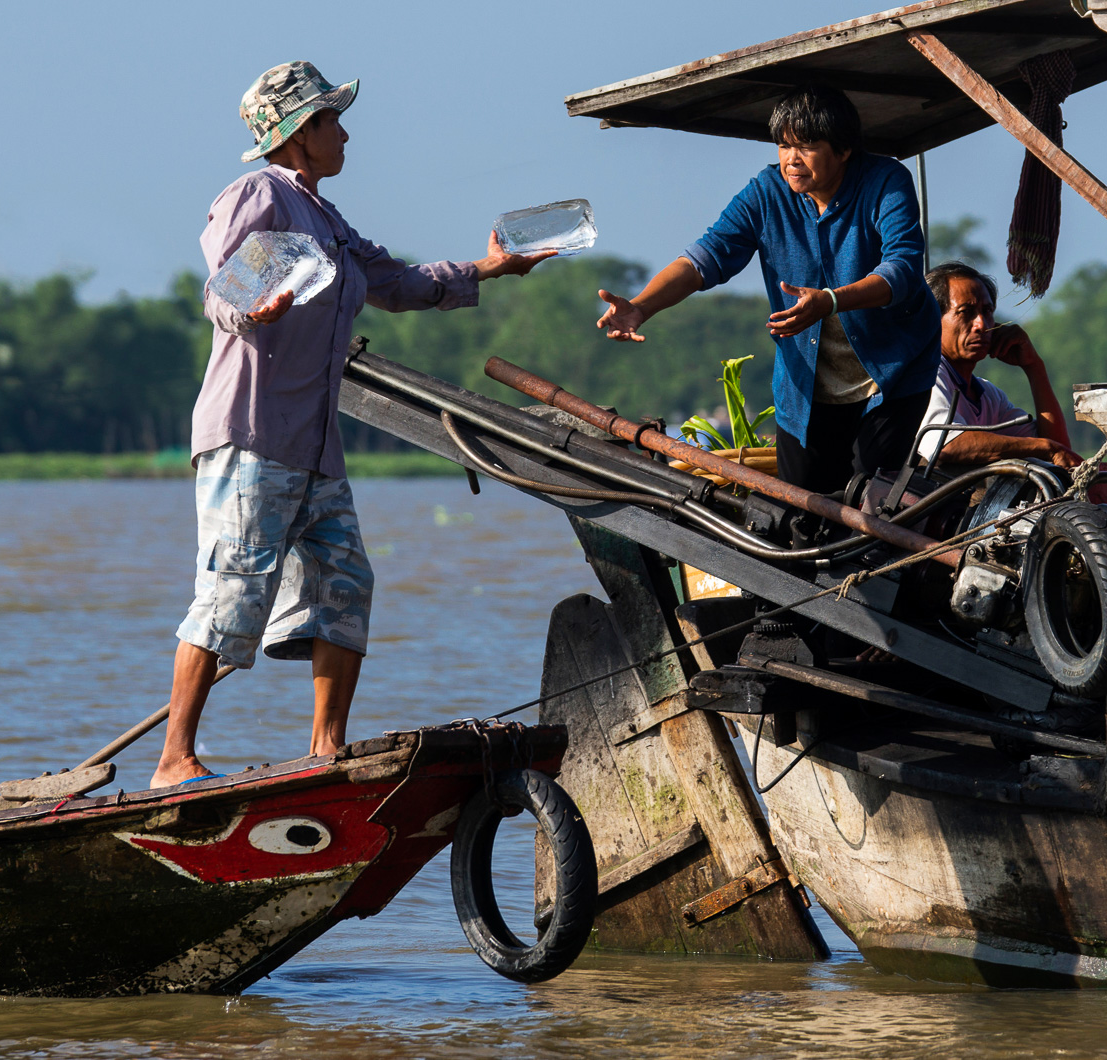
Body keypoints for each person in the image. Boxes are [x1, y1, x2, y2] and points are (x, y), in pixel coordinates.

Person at [150, 61, 551, 788]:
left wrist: (488, 270)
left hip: (313, 444)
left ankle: (325, 748)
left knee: (343, 581)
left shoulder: (326, 220)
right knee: (232, 587)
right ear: (300, 135)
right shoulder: (257, 194)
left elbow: (395, 282)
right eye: (332, 121)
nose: (345, 134)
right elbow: (222, 286)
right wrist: (253, 308)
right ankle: (174, 757)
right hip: (251, 432)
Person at [595, 85, 940, 496]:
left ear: (844, 150)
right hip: (807, 384)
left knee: (869, 497)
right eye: (783, 146)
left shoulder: (886, 182)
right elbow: (705, 257)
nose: (791, 160)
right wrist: (640, 307)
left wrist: (830, 301)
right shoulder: (765, 193)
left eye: (806, 147)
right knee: (802, 507)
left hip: (891, 374)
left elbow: (902, 268)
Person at [915, 262, 1082, 470]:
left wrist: (1034, 367)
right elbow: (945, 444)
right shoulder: (926, 373)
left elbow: (1060, 451)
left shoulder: (989, 396)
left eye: (987, 312)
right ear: (931, 319)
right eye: (966, 312)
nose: (982, 325)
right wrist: (1046, 448)